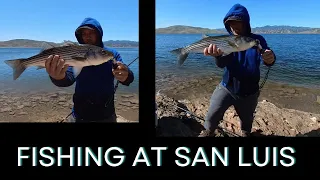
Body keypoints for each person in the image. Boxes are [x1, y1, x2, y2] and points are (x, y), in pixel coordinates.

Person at [199, 4, 276, 137]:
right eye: (231, 23)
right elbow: (222, 64)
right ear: (227, 24)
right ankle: (207, 132)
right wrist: (217, 56)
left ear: (245, 23)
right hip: (226, 88)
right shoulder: (226, 41)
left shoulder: (256, 40)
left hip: (250, 93)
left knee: (246, 122)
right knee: (212, 116)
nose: (234, 26)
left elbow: (267, 57)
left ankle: (245, 133)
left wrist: (270, 58)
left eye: (238, 22)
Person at [45, 17, 134, 122]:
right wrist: (57, 77)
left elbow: (127, 77)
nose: (87, 37)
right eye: (84, 34)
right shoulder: (75, 52)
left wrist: (126, 75)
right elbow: (68, 78)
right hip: (80, 114)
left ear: (99, 34)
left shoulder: (111, 54)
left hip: (107, 114)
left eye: (91, 32)